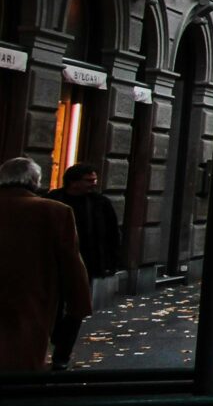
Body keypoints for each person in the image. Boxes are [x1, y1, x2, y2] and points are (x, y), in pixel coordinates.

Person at [0, 156, 88, 371]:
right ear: (35, 181)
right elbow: (70, 261)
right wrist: (79, 303)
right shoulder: (55, 211)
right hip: (31, 297)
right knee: (22, 360)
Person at [54, 163, 123, 297]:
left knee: (80, 297)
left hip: (87, 260)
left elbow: (112, 233)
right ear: (73, 182)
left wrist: (112, 261)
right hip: (57, 258)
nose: (94, 184)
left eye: (95, 180)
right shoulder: (53, 199)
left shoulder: (100, 203)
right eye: (89, 180)